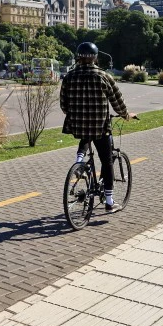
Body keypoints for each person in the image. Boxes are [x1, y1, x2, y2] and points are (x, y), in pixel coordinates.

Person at [60, 42, 137, 213]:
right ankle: (109, 202)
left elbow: (64, 106)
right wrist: (125, 114)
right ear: (95, 57)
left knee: (85, 134)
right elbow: (117, 101)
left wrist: (78, 113)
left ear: (78, 57)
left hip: (78, 126)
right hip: (100, 127)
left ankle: (79, 161)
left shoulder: (69, 77)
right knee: (107, 161)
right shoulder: (103, 76)